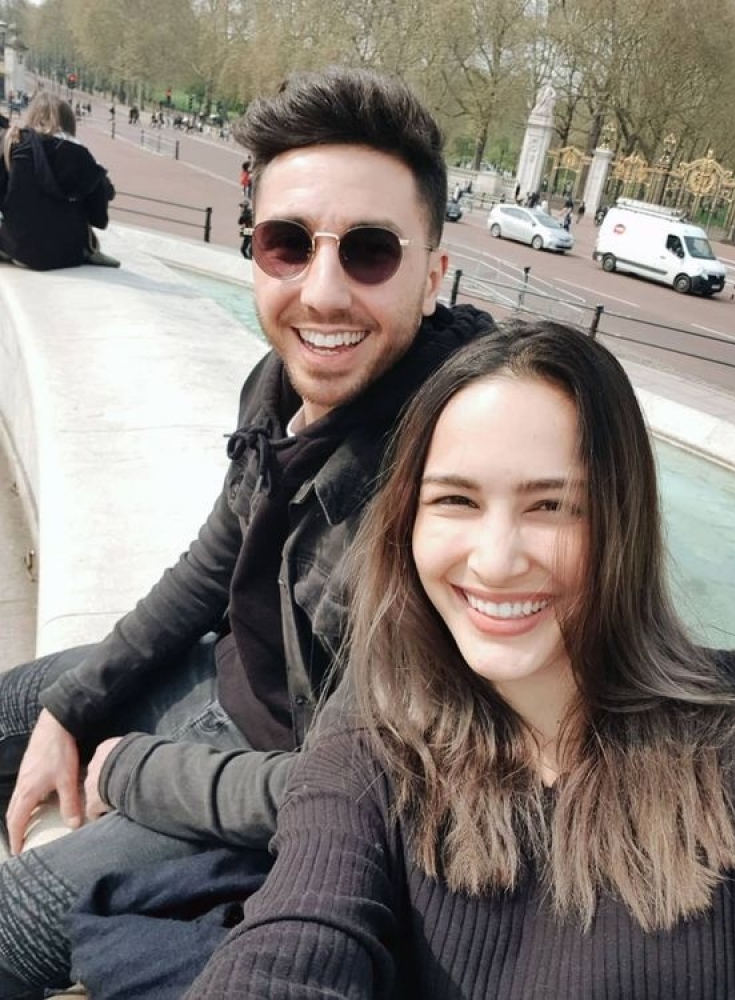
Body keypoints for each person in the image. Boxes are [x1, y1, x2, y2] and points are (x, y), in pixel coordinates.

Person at [0, 67, 493, 996]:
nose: (323, 293)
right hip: (219, 689)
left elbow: (342, 788)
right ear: (254, 250)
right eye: (287, 244)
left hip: (271, 783)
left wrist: (131, 769)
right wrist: (71, 707)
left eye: (371, 251)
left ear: (433, 275)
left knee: (10, 923)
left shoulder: (450, 481)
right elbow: (208, 569)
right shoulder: (280, 385)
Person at [188, 320, 735, 999]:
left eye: (552, 505)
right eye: (456, 500)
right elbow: (291, 942)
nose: (497, 561)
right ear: (406, 522)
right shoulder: (371, 761)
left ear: (623, 520)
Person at [0, 93, 119, 270]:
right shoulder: (83, 156)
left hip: (18, 248)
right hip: (68, 254)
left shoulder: (16, 145)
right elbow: (99, 218)